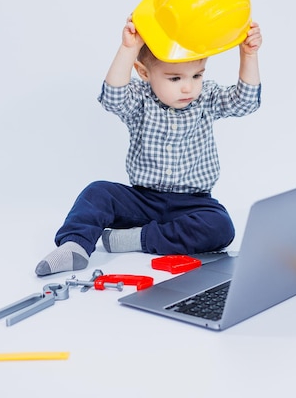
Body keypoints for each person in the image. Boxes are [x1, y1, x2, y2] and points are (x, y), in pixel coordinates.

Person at [35, 17, 262, 276]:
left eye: (197, 75)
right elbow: (112, 97)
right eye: (175, 78)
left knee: (221, 227)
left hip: (193, 203)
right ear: (144, 73)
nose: (188, 86)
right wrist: (128, 49)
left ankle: (136, 239)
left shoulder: (207, 98)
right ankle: (74, 245)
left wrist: (249, 55)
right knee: (97, 192)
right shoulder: (140, 99)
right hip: (143, 199)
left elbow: (246, 102)